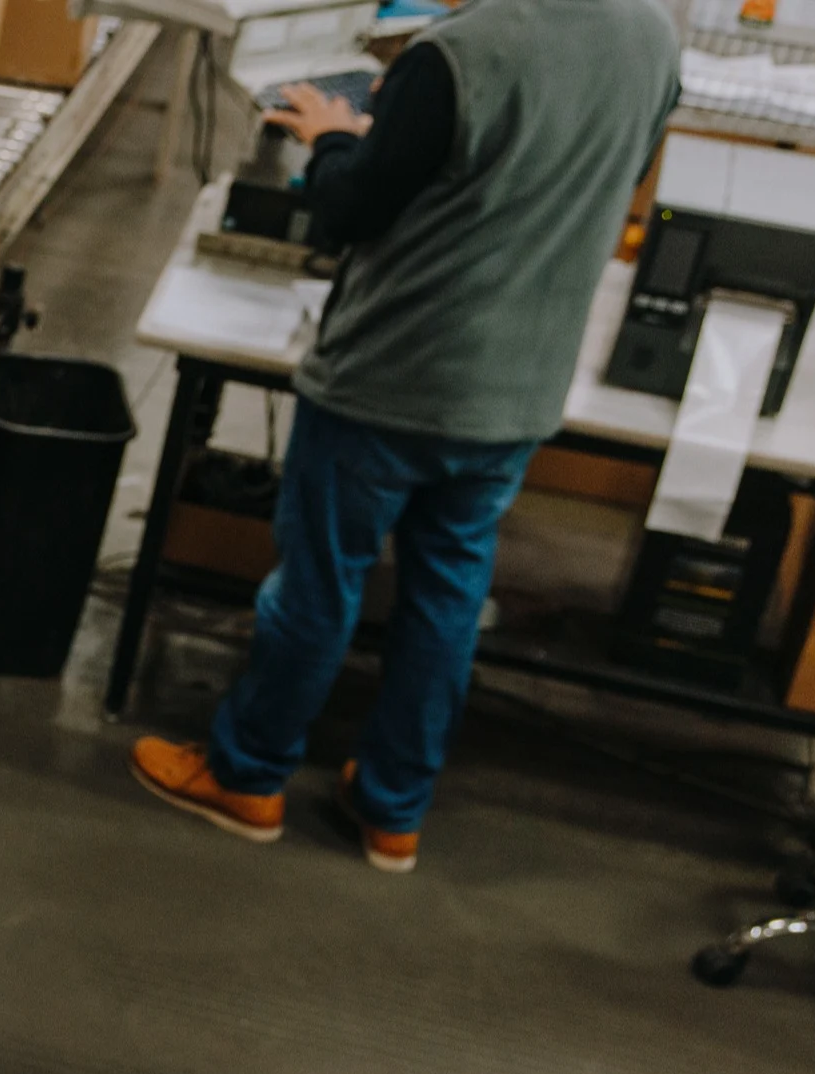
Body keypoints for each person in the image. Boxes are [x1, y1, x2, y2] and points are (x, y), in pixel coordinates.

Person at [130, 0, 680, 871]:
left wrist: (333, 134)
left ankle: (249, 773)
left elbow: (351, 208)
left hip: (392, 379)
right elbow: (615, 173)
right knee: (448, 594)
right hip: (521, 386)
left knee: (318, 584)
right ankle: (392, 807)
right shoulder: (652, 38)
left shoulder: (459, 54)